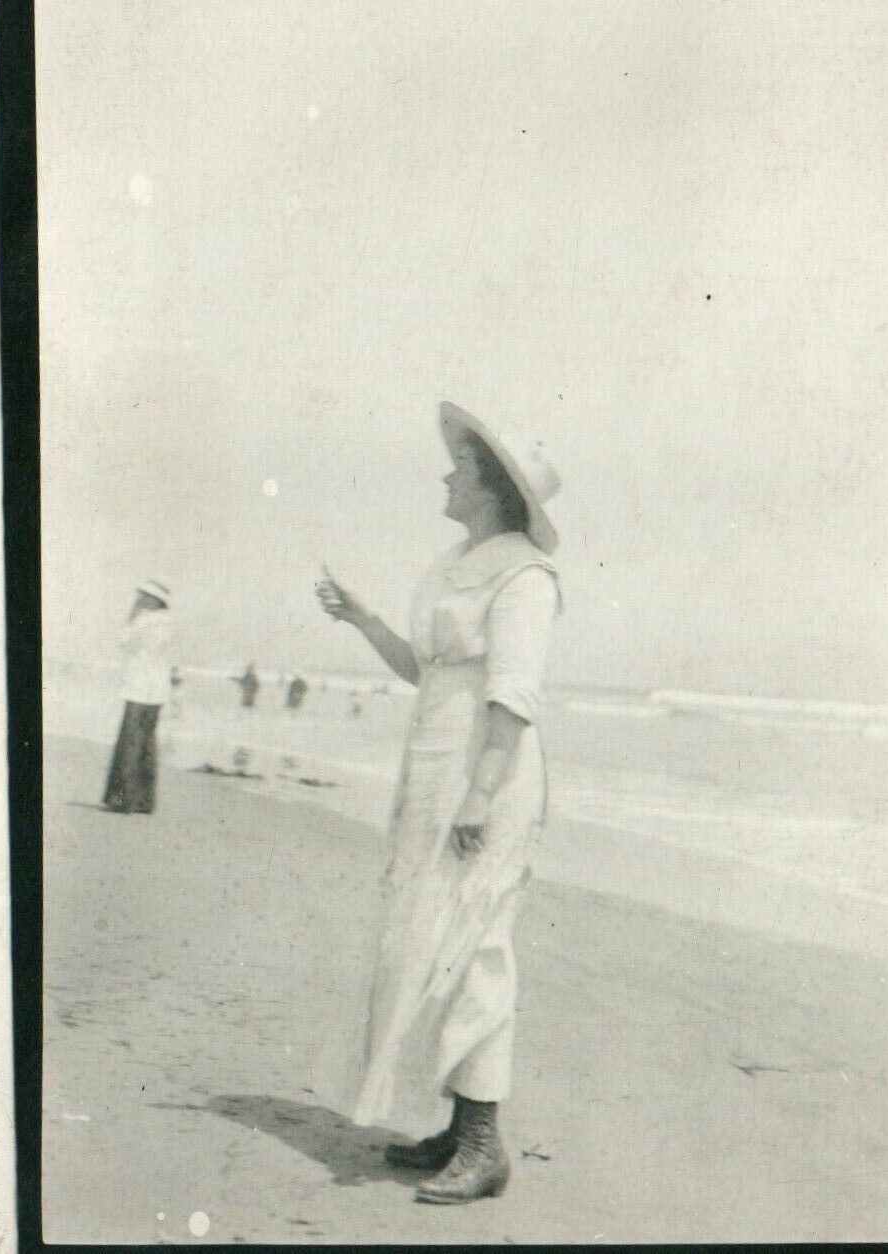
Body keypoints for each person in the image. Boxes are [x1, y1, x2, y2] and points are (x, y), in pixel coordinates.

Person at [312, 403, 562, 1205]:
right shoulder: (458, 561)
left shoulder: (524, 575)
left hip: (486, 772)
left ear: (490, 489)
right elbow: (428, 670)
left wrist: (482, 794)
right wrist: (365, 621)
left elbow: (515, 694)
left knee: (476, 942)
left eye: (460, 468)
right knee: (427, 939)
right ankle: (459, 1131)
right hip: (434, 768)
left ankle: (484, 1140)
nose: (446, 476)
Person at [102, 580, 175, 814]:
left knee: (130, 742)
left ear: (153, 600)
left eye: (143, 595)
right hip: (158, 691)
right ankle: (145, 800)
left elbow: (123, 641)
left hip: (139, 688)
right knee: (147, 744)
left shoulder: (145, 620)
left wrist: (132, 615)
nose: (139, 599)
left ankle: (123, 799)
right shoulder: (170, 622)